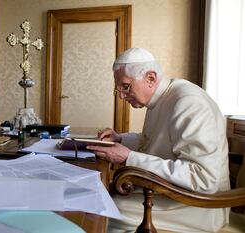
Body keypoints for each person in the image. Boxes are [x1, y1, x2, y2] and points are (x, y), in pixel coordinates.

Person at [87, 48, 230, 232]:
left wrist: (128, 158)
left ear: (151, 78)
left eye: (126, 86)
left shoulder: (188, 102)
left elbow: (203, 179)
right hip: (174, 194)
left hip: (201, 207)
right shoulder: (164, 96)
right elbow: (156, 139)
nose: (121, 95)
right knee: (102, 197)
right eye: (119, 89)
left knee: (102, 209)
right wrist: (121, 140)